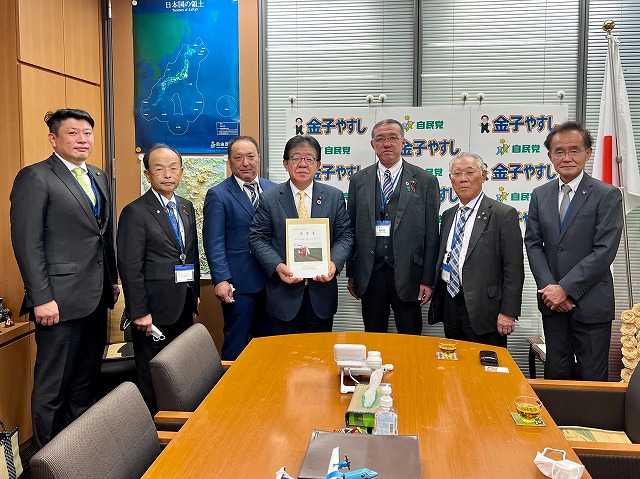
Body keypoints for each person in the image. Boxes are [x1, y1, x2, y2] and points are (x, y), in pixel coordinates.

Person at [10, 108, 119, 449]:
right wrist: (41, 297)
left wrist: (113, 279)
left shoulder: (98, 176)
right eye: (73, 133)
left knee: (85, 380)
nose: (82, 139)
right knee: (53, 386)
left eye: (87, 133)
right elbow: (27, 243)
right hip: (58, 301)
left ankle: (78, 452)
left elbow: (103, 236)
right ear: (53, 139)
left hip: (96, 296)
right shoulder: (35, 177)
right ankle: (47, 461)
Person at [524, 121, 623, 380]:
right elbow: (533, 244)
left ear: (588, 153)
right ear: (550, 156)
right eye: (559, 151)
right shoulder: (540, 194)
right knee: (556, 374)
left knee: (592, 379)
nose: (566, 158)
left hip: (591, 304)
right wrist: (550, 289)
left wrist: (565, 289)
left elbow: (604, 251)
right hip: (552, 304)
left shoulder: (607, 194)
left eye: (574, 150)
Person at [117, 143, 200, 412]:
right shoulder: (135, 211)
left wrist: (195, 293)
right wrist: (139, 311)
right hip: (152, 312)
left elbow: (190, 253)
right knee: (153, 377)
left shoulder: (186, 207)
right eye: (159, 168)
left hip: (183, 304)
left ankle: (179, 424)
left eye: (173, 168)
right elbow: (130, 267)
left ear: (182, 172)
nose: (167, 174)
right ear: (147, 174)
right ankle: (153, 428)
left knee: (181, 371)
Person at [248, 135, 353, 334]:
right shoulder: (270, 198)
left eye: (309, 159)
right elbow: (257, 238)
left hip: (321, 294)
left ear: (318, 164)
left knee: (319, 351)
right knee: (285, 352)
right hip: (283, 295)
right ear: (285, 163)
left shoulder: (334, 197)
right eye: (296, 158)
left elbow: (345, 236)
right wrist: (277, 266)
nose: (302, 164)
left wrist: (333, 263)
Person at [346, 119, 439, 334]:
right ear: (372, 144)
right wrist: (352, 272)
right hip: (370, 274)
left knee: (410, 338)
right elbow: (351, 228)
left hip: (410, 275)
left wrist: (428, 280)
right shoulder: (358, 180)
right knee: (374, 337)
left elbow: (432, 234)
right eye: (380, 139)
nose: (386, 143)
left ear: (403, 142)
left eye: (393, 138)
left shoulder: (425, 180)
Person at [428, 153, 524, 347]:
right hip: (451, 301)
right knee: (454, 359)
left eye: (470, 172)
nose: (463, 178)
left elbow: (513, 269)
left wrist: (508, 312)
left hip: (486, 309)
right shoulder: (448, 215)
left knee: (485, 363)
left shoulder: (503, 214)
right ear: (451, 179)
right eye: (457, 173)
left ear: (483, 175)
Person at [203, 136, 275, 360]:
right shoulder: (218, 194)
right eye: (238, 157)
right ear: (229, 161)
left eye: (250, 156)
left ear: (258, 158)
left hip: (273, 283)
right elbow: (213, 241)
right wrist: (221, 279)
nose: (246, 162)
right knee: (237, 343)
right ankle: (231, 383)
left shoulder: (273, 189)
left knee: (269, 345)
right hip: (239, 285)